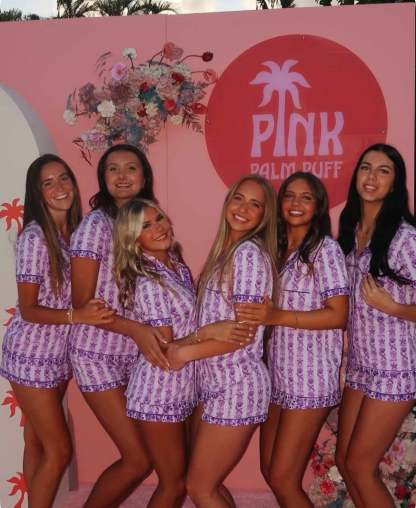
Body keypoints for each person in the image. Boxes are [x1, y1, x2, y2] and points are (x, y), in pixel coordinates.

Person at [113, 199, 251, 508]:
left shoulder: (174, 264)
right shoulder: (148, 281)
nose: (158, 228)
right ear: (133, 239)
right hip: (158, 390)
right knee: (173, 485)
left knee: (195, 478)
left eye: (159, 218)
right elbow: (166, 348)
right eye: (145, 226)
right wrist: (208, 332)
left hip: (183, 387)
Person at [0, 154, 114, 508]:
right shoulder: (36, 237)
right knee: (59, 449)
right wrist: (77, 316)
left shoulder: (75, 232)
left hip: (58, 356)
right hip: (31, 355)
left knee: (37, 441)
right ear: (37, 193)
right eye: (47, 183)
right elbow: (29, 308)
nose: (59, 187)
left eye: (63, 178)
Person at [236, 172, 349, 508]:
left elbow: (338, 315)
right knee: (270, 471)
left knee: (284, 479)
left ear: (318, 207)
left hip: (311, 379)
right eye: (289, 195)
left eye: (306, 197)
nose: (296, 203)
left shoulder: (325, 250)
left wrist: (277, 316)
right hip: (278, 374)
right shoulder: (274, 249)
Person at [167, 174, 278, 508]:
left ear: (265, 215)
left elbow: (242, 334)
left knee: (200, 487)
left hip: (237, 384)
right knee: (205, 484)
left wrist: (184, 353)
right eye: (238, 198)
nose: (243, 208)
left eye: (255, 204)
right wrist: (189, 343)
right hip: (214, 383)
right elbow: (213, 326)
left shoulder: (248, 255)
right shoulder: (226, 253)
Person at [69, 144, 166, 507]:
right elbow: (83, 303)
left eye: (131, 168)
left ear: (144, 176)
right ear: (103, 177)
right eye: (113, 169)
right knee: (138, 459)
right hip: (96, 354)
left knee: (156, 455)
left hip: (135, 354)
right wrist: (137, 330)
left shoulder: (147, 220)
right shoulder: (95, 226)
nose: (122, 176)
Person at [335, 144, 416, 508]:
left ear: (395, 183)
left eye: (384, 171)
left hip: (395, 369)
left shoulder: (405, 238)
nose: (371, 177)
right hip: (360, 366)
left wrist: (393, 307)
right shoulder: (350, 232)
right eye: (366, 168)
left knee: (359, 465)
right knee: (344, 461)